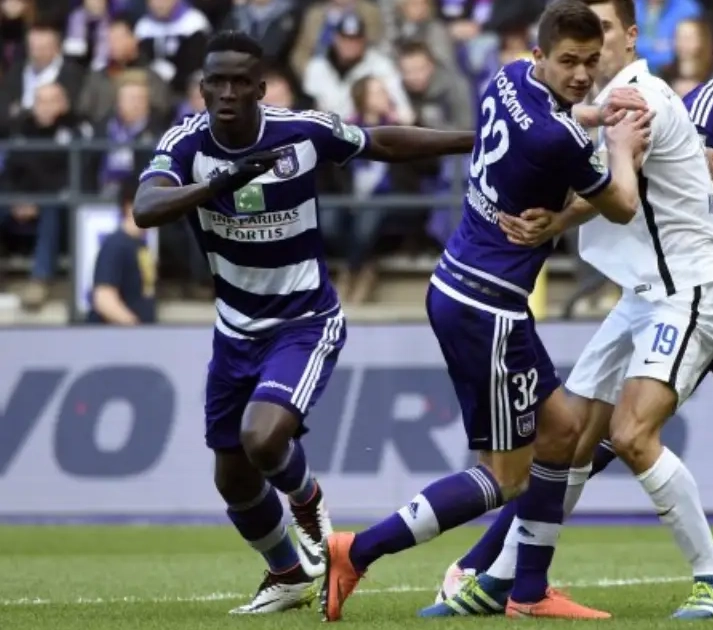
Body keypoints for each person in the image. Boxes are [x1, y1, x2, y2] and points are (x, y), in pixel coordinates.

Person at [433, 4, 713, 603]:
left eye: (603, 31)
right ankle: (496, 574)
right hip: (653, 292)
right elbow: (631, 180)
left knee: (629, 436)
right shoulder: (645, 104)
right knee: (571, 440)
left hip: (697, 291)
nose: (589, 48)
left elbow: (625, 194)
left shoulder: (650, 102)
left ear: (630, 38)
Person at [317, 1, 649, 621]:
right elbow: (623, 204)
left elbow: (553, 122)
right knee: (506, 475)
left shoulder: (508, 76)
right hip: (486, 304)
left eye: (590, 61)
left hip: (467, 284)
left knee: (561, 434)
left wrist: (594, 115)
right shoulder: (558, 138)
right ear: (541, 55)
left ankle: (529, 591)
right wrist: (622, 145)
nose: (582, 74)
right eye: (569, 61)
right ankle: (357, 551)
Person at [134, 30, 476, 615]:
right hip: (235, 330)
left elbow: (381, 141)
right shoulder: (185, 143)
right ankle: (287, 575)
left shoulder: (301, 131)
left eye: (241, 81)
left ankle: (308, 500)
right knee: (233, 479)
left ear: (261, 88)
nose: (227, 92)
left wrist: (475, 138)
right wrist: (219, 184)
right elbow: (145, 208)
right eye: (217, 81)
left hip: (304, 321)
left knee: (263, 437)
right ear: (202, 88)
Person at [87, 178, 157, 325]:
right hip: (118, 336)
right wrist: (136, 328)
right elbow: (104, 299)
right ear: (129, 206)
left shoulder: (141, 244)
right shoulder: (116, 245)